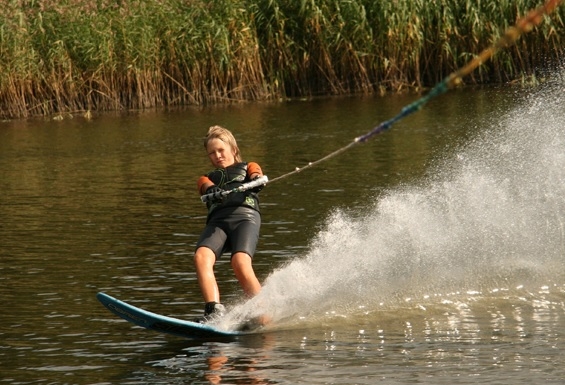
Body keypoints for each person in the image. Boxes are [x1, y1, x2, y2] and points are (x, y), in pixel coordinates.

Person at [194, 125, 265, 322]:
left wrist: (257, 180)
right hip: (218, 222)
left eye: (221, 150)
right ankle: (214, 310)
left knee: (240, 262)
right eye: (212, 153)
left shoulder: (249, 166)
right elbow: (204, 186)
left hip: (245, 218)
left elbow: (256, 173)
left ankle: (262, 314)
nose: (217, 155)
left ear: (233, 150)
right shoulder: (206, 178)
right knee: (201, 257)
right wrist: (211, 191)